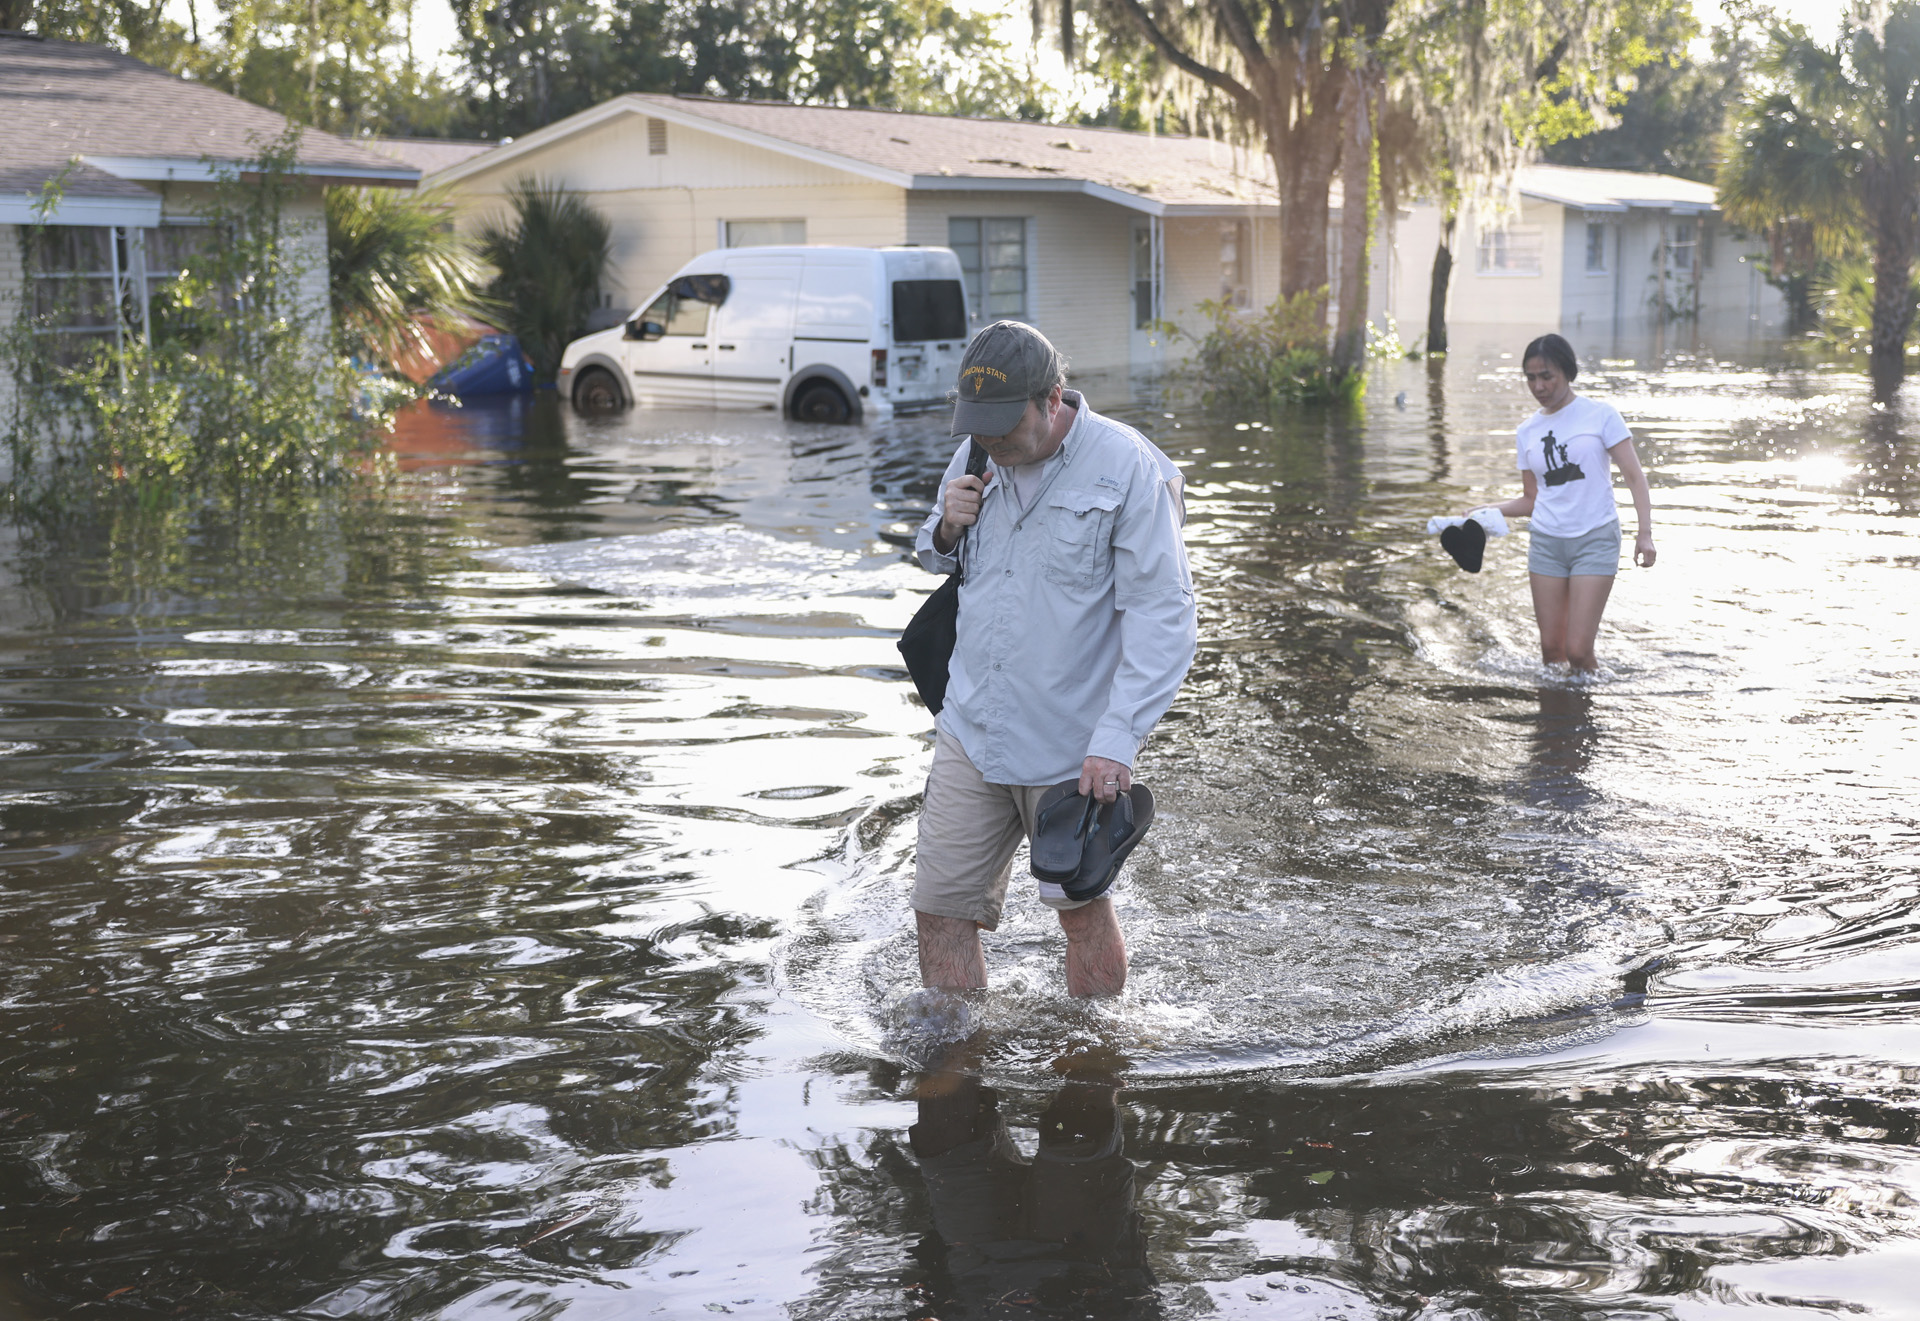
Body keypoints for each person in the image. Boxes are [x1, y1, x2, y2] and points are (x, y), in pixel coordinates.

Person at [911, 321, 1195, 998]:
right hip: (971, 729)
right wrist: (946, 526)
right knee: (940, 910)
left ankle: (1095, 1060)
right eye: (978, 428)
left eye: (1006, 427)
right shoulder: (978, 451)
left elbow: (1165, 614)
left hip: (1074, 748)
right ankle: (957, 1067)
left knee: (1082, 916)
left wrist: (1117, 740)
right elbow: (936, 553)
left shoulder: (1127, 466)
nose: (992, 444)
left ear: (1052, 399)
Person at [1471, 333, 1655, 672]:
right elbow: (1531, 499)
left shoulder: (1600, 415)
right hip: (1547, 544)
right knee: (1551, 649)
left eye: (1547, 375)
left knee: (1579, 650)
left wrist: (1644, 534)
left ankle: (1588, 714)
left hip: (1595, 539)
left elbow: (1634, 476)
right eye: (1531, 377)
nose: (1538, 386)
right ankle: (1560, 720)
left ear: (1567, 372)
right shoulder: (1527, 431)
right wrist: (1484, 511)